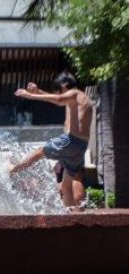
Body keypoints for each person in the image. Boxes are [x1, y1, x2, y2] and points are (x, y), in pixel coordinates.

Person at [9, 71, 93, 210]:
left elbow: (58, 99)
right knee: (68, 182)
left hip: (71, 140)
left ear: (64, 85)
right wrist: (39, 91)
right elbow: (58, 99)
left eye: (58, 89)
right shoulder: (82, 98)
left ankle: (13, 169)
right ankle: (75, 213)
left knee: (41, 151)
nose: (58, 93)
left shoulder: (74, 93)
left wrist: (30, 95)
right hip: (81, 145)